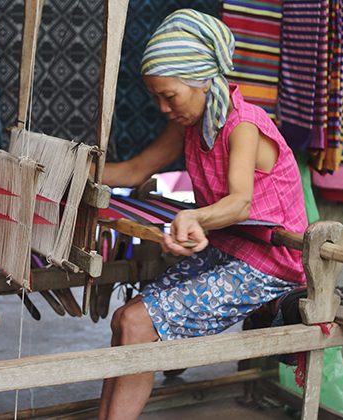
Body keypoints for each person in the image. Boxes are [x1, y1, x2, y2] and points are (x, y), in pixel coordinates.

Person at [98, 9, 307, 419]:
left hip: (271, 263)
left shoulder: (244, 125)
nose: (162, 107)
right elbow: (136, 170)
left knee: (139, 324)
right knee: (125, 319)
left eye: (169, 95)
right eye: (156, 96)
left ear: (203, 81)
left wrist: (194, 218)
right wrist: (72, 168)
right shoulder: (191, 123)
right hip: (230, 249)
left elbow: (240, 203)